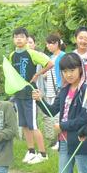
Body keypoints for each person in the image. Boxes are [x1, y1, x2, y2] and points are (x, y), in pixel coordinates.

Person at [9, 27, 54, 164]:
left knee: (33, 124)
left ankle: (43, 154)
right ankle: (31, 151)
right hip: (19, 93)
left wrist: (37, 74)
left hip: (30, 94)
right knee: (24, 124)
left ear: (26, 39)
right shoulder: (12, 55)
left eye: (21, 37)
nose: (19, 39)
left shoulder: (31, 53)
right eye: (16, 37)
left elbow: (50, 63)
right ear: (13, 39)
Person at [45, 34, 65, 149]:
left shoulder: (62, 56)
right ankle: (58, 140)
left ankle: (60, 140)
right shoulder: (51, 57)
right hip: (51, 89)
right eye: (47, 44)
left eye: (50, 43)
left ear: (57, 43)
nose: (48, 46)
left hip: (59, 87)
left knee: (59, 116)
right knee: (55, 116)